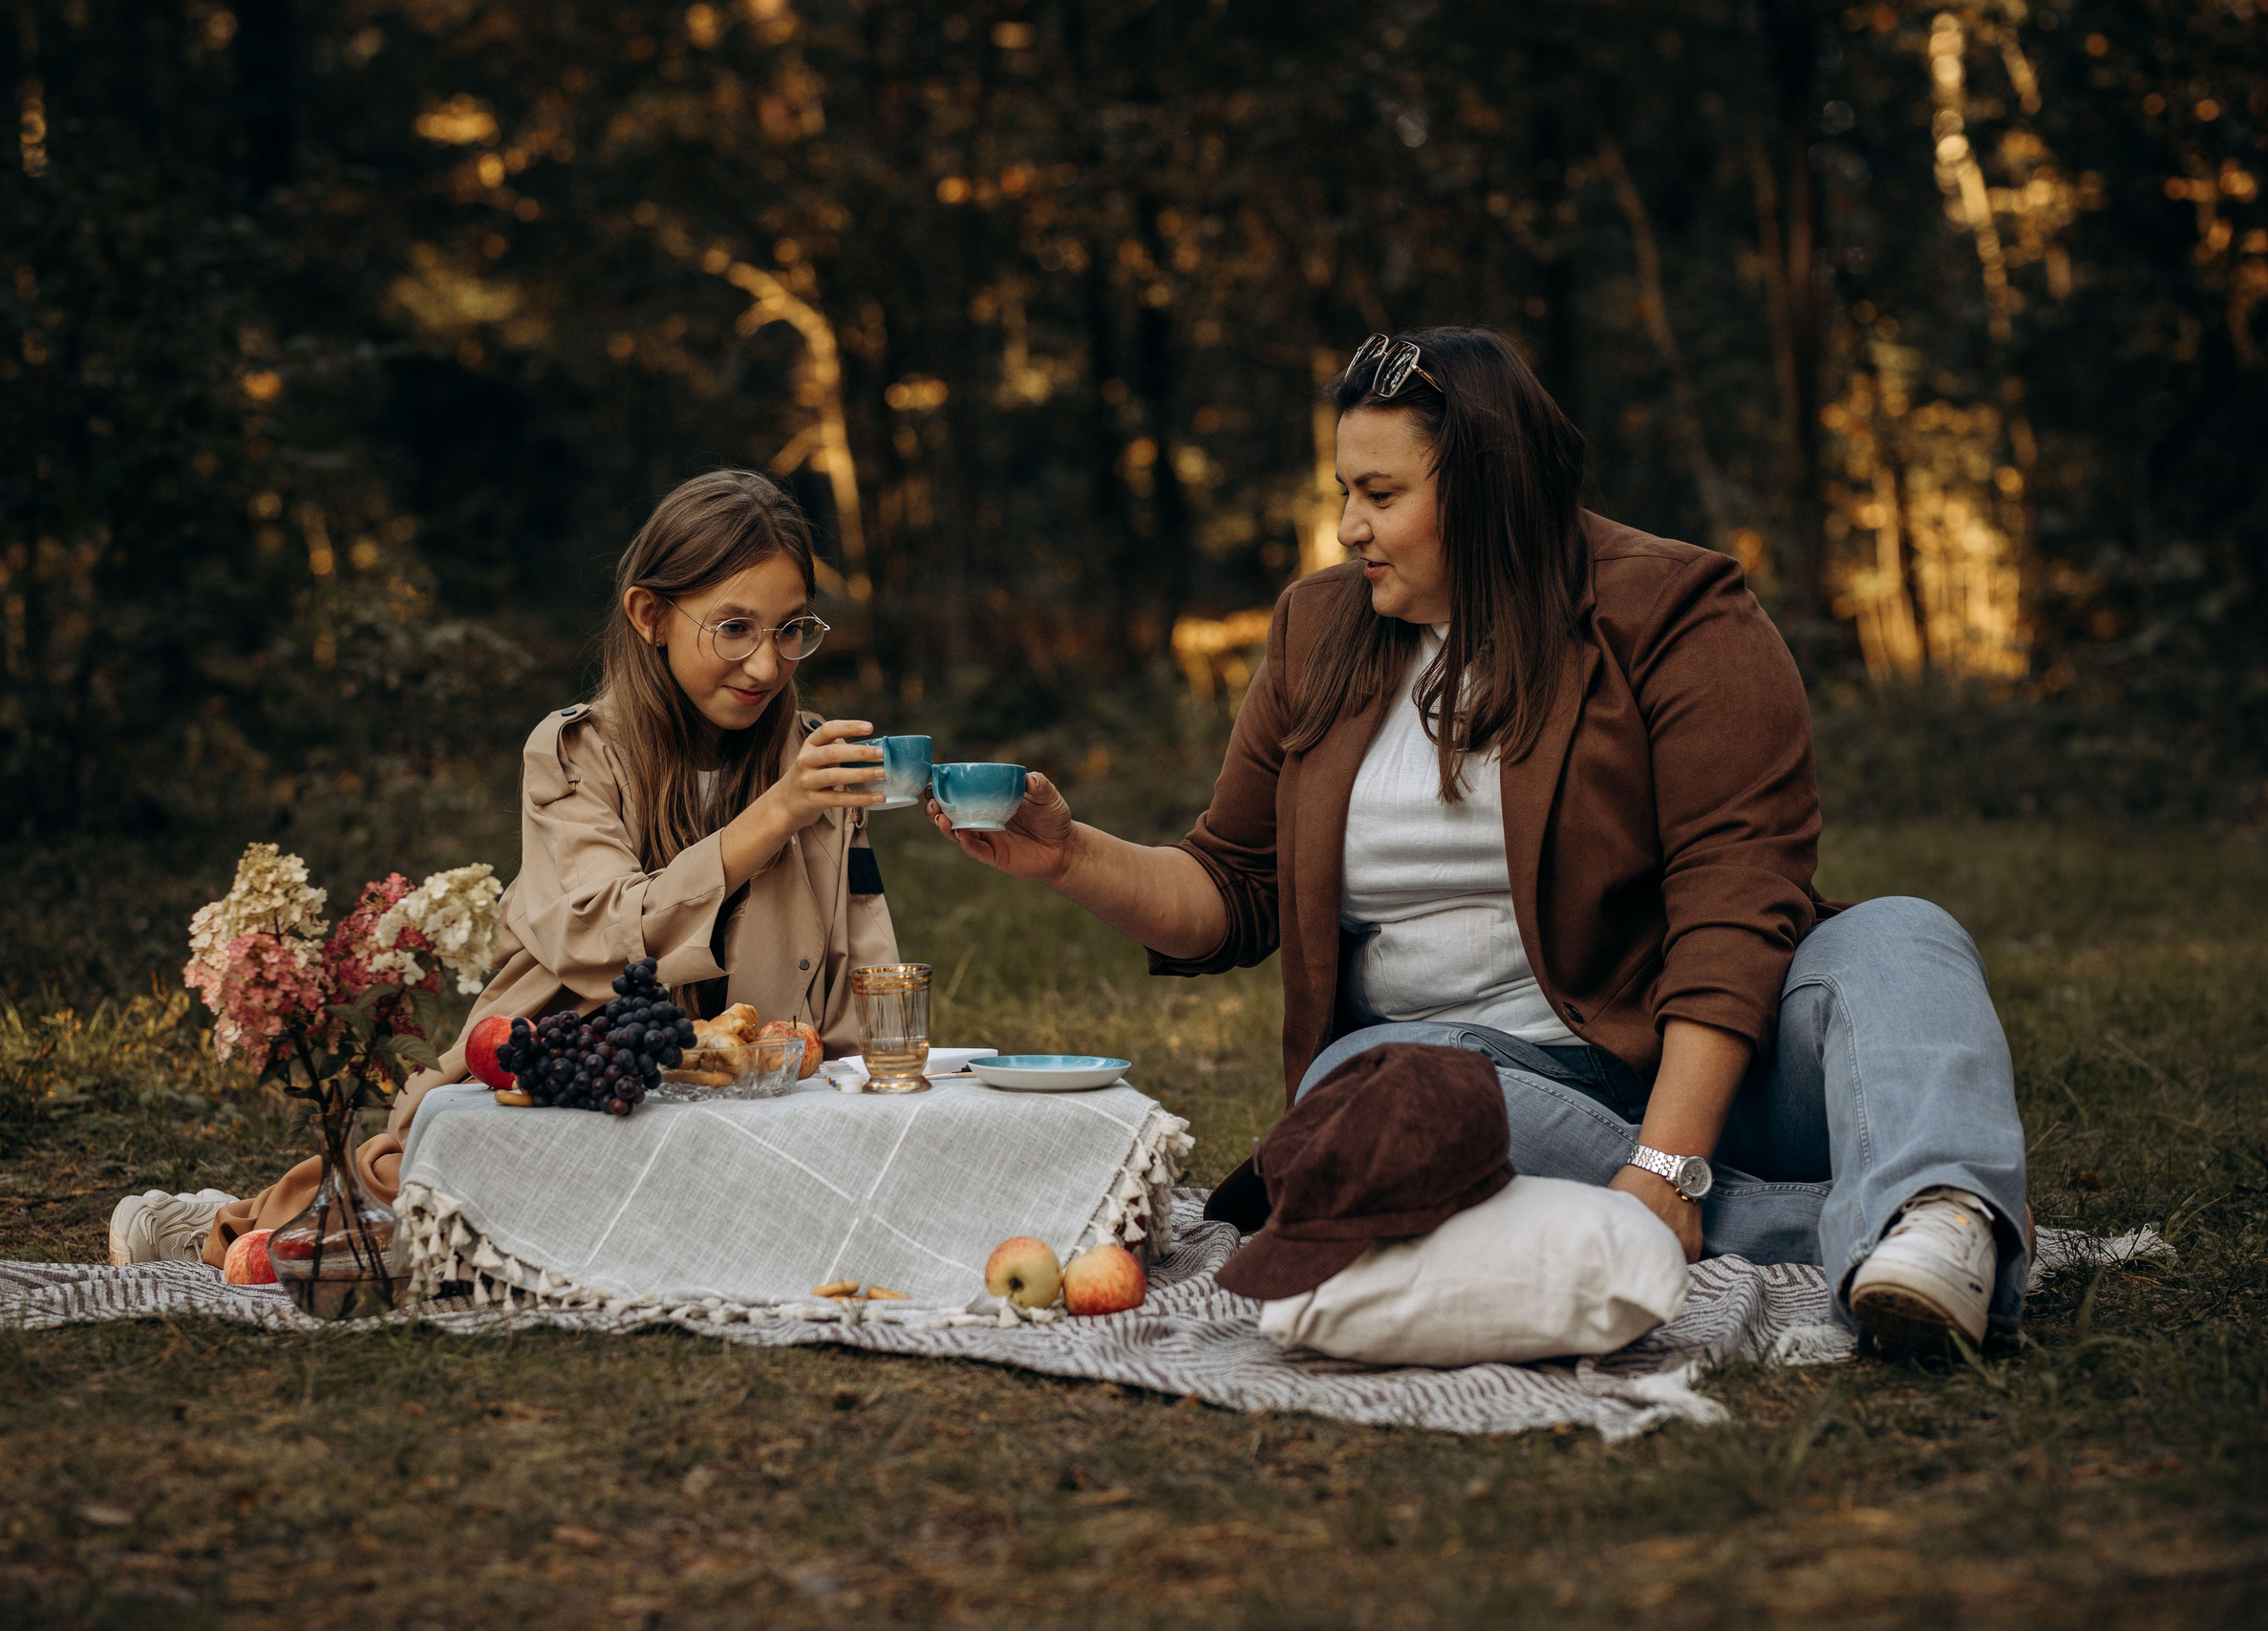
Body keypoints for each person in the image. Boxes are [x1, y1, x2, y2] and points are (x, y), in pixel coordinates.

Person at [930, 329, 2030, 1351]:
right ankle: (1893, 1227)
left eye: (1380, 493)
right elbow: (1235, 883)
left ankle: (1934, 1213)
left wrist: (1672, 1150)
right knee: (1362, 1081)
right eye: (1344, 493)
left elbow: (1734, 902)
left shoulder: (1677, 611)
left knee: (1900, 937)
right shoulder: (1319, 631)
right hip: (1474, 1094)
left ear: (1491, 491)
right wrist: (1069, 855)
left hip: (1718, 1062)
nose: (1349, 526)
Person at [111, 470, 900, 1267]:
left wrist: (868, 1084)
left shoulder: (814, 761)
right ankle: (230, 1221)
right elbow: (603, 935)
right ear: (650, 615)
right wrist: (775, 815)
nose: (766, 666)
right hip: (571, 1084)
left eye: (791, 629)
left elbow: (866, 958)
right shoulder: (575, 754)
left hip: (752, 1098)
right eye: (734, 627)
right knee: (446, 1221)